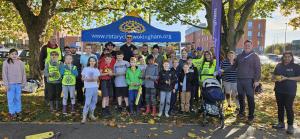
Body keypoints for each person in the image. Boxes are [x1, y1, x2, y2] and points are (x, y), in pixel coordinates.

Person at [232, 40, 261, 124]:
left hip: (249, 81)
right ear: (243, 46)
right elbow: (234, 67)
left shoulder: (255, 56)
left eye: (249, 45)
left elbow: (258, 69)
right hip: (239, 80)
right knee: (241, 97)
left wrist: (256, 80)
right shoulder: (239, 56)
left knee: (250, 98)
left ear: (251, 46)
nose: (247, 46)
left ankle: (251, 116)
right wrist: (223, 70)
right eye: (246, 45)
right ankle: (242, 112)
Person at [272, 51, 300, 134]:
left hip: (290, 91)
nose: (287, 58)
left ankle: (290, 126)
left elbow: (299, 78)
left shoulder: (296, 66)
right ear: (283, 57)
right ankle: (281, 123)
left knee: (288, 107)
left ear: (292, 57)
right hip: (279, 90)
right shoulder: (278, 65)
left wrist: (287, 78)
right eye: (285, 56)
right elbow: (273, 77)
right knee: (280, 107)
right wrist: (275, 78)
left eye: (289, 56)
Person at [2, 49, 26, 119]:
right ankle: (12, 112)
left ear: (17, 55)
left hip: (18, 84)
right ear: (9, 55)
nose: (14, 55)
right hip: (10, 84)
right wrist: (6, 85)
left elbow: (23, 73)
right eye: (12, 54)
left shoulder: (21, 62)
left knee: (18, 98)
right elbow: (4, 74)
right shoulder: (6, 63)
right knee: (11, 99)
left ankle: (18, 111)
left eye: (15, 54)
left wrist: (23, 83)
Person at [40, 36, 63, 103]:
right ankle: (47, 99)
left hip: (57, 70)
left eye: (55, 39)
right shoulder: (45, 48)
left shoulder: (58, 48)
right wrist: (42, 68)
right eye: (52, 39)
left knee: (57, 86)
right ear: (49, 40)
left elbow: (61, 58)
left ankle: (56, 99)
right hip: (48, 69)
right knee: (48, 86)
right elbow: (41, 58)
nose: (54, 40)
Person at [81, 57, 100, 123]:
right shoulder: (85, 69)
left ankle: (91, 114)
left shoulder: (96, 69)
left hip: (95, 87)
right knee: (87, 102)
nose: (92, 62)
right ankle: (84, 117)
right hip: (88, 88)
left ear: (95, 62)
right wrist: (87, 79)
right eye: (91, 61)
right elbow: (82, 78)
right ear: (89, 62)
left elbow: (96, 79)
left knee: (94, 101)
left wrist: (92, 79)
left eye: (93, 61)